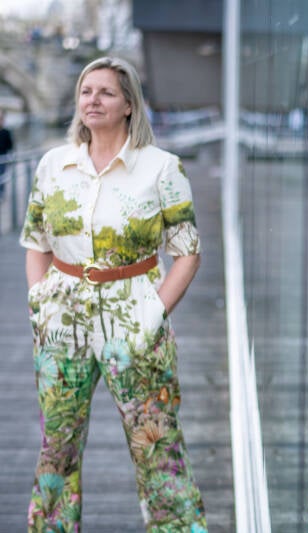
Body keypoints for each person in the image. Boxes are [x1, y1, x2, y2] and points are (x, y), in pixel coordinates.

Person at [20, 57, 206, 531]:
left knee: (156, 444)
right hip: (61, 320)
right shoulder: (52, 165)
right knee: (57, 444)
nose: (93, 100)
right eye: (86, 92)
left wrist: (155, 312)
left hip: (134, 315)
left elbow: (187, 253)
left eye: (105, 92)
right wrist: (39, 301)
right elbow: (36, 243)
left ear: (128, 104)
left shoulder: (162, 168)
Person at [0, 109, 14, 200]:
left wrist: (10, 157)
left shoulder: (6, 132)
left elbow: (10, 146)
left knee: (2, 176)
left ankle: (1, 194)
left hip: (3, 158)